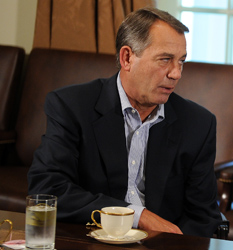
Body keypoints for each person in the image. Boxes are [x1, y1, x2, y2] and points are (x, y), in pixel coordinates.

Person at [27, 7, 222, 237]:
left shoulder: (198, 123)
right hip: (91, 239)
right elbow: (48, 190)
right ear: (127, 57)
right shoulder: (71, 106)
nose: (176, 73)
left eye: (181, 61)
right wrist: (138, 216)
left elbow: (203, 218)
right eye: (165, 60)